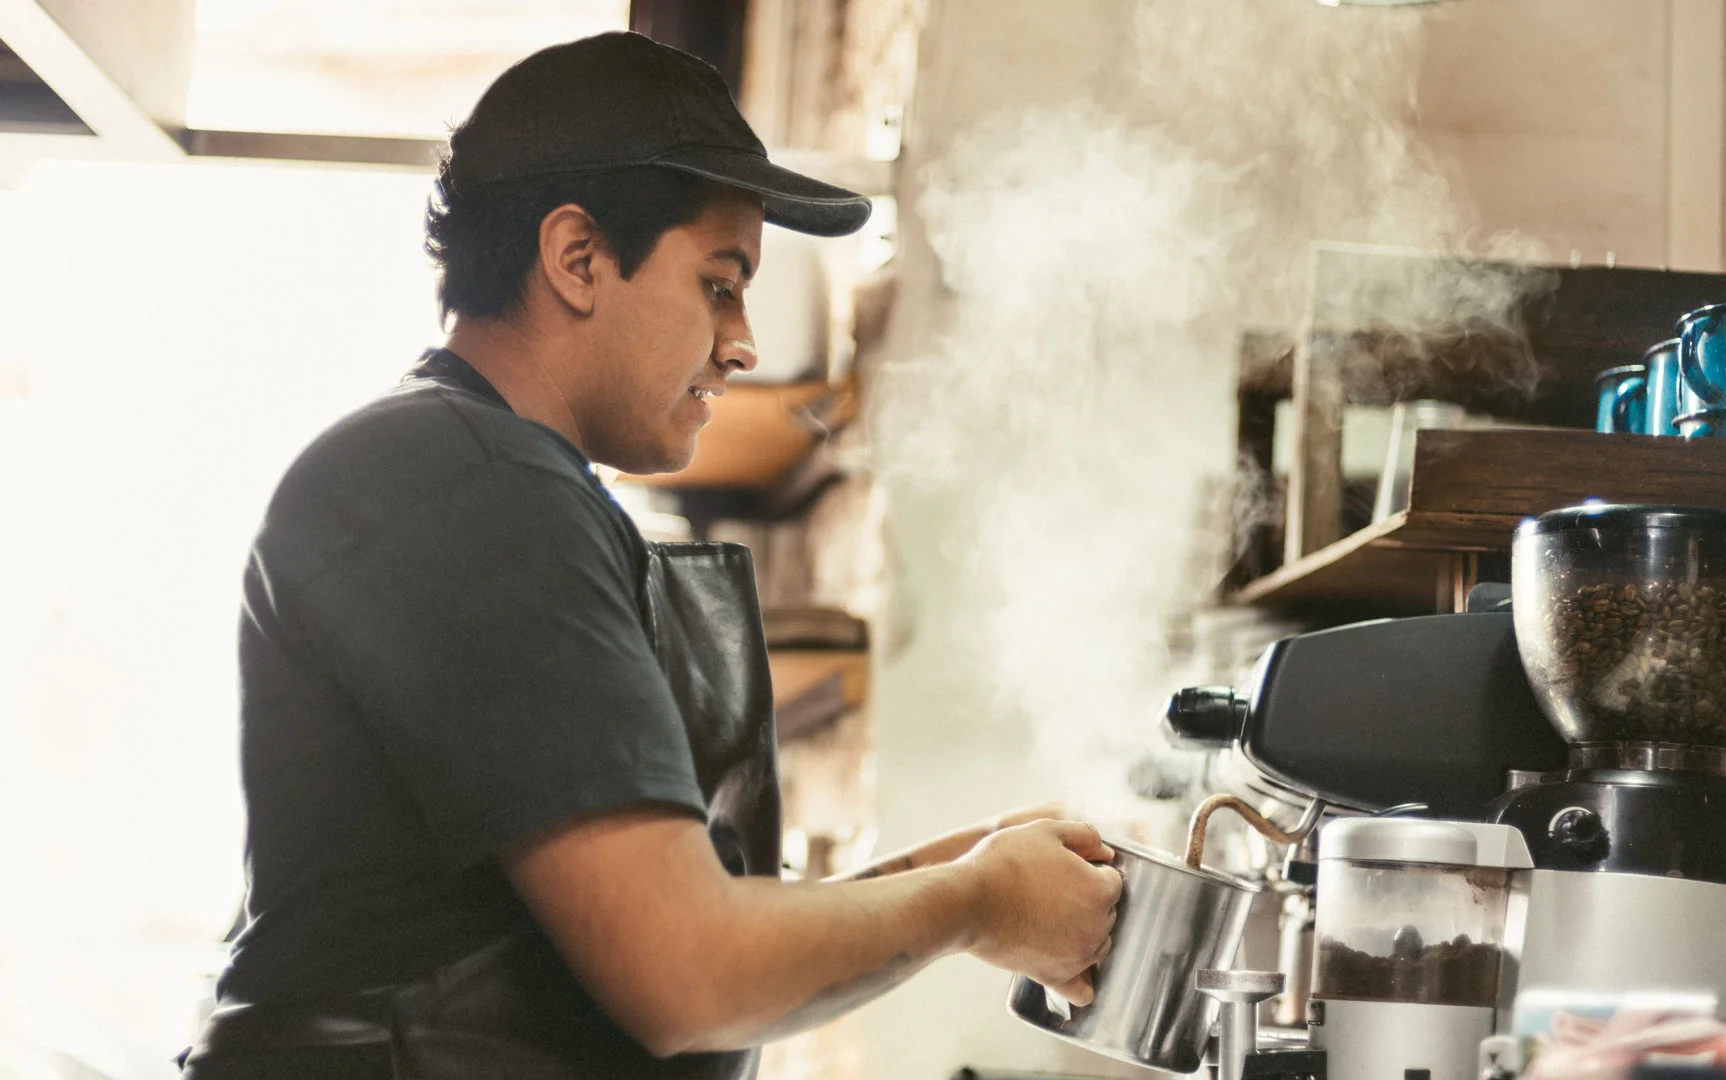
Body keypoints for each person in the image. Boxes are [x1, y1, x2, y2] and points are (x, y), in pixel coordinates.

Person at [178, 31, 1123, 1080]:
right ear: (578, 258)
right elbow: (688, 976)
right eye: (720, 283)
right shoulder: (468, 483)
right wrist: (979, 899)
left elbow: (665, 930)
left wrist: (965, 868)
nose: (745, 340)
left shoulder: (488, 479)